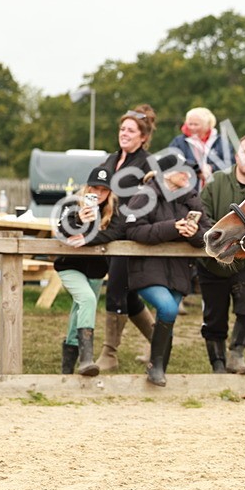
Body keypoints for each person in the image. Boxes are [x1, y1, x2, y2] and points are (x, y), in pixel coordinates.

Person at [125, 154, 212, 386]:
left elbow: (207, 234)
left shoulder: (191, 198)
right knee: (168, 309)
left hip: (179, 271)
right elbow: (133, 230)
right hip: (146, 269)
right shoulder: (145, 195)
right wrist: (172, 228)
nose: (188, 175)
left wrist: (192, 232)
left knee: (168, 315)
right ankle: (156, 366)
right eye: (182, 170)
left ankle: (159, 369)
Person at [95, 105, 159, 372]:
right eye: (122, 128)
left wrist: (106, 233)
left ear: (143, 137)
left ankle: (109, 353)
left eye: (131, 130)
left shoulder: (147, 163)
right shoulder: (110, 160)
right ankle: (160, 342)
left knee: (116, 290)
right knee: (129, 295)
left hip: (130, 236)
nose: (125, 133)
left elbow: (143, 203)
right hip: (108, 232)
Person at [198, 135, 245, 375]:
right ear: (237, 156)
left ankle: (236, 354)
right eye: (244, 151)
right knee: (213, 316)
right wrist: (215, 242)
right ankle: (217, 363)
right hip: (211, 262)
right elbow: (201, 213)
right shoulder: (217, 181)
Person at [53, 166, 121, 377]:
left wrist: (88, 238)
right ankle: (86, 359)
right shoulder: (73, 203)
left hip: (96, 271)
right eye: (95, 188)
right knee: (88, 299)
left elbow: (117, 231)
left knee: (79, 311)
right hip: (70, 266)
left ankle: (66, 371)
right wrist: (80, 220)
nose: (98, 193)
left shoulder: (113, 208)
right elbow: (62, 228)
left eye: (104, 189)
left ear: (110, 192)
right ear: (87, 188)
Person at [166, 107, 233, 190]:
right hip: (187, 191)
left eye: (196, 124)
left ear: (207, 125)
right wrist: (197, 169)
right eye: (190, 124)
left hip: (217, 190)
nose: (192, 128)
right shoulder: (178, 142)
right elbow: (171, 161)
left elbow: (230, 164)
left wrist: (211, 168)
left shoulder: (221, 142)